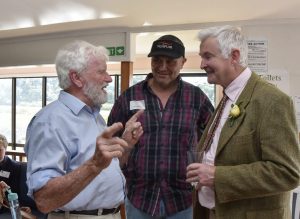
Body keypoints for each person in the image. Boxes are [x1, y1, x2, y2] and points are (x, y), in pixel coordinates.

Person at [186, 25, 300, 219]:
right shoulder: (228, 97)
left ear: (234, 56)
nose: (202, 64)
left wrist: (217, 176)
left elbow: (287, 173)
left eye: (207, 56)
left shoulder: (272, 100)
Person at [24, 40, 143, 219]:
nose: (109, 78)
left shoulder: (93, 115)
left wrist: (126, 145)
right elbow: (44, 199)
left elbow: (105, 167)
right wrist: (93, 164)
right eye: (101, 71)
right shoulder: (50, 122)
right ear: (77, 78)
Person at [108, 35, 214, 219]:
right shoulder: (129, 96)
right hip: (139, 198)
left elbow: (215, 137)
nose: (162, 67)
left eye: (170, 61)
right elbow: (110, 143)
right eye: (157, 60)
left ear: (183, 62)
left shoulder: (197, 98)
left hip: (181, 199)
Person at [0, 134, 36, 216]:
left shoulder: (13, 167)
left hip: (4, 204)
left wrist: (17, 207)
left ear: (5, 149)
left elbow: (13, 192)